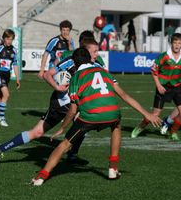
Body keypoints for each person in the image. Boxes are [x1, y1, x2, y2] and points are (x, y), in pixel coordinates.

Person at [30, 48, 161, 186]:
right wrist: (147, 114)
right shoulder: (104, 72)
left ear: (74, 63)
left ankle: (41, 177)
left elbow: (73, 110)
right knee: (116, 125)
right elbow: (124, 95)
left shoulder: (75, 77)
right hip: (111, 114)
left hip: (89, 118)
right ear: (90, 59)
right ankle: (113, 168)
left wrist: (62, 128)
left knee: (65, 144)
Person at [0, 35, 102, 167]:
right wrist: (57, 87)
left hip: (73, 103)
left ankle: (0, 148)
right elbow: (48, 74)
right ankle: (72, 155)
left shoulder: (96, 65)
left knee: (37, 132)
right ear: (86, 51)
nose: (97, 54)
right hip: (60, 102)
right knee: (81, 122)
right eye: (95, 51)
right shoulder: (70, 62)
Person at [131, 33, 181, 141]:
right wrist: (159, 85)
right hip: (163, 87)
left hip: (177, 87)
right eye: (175, 42)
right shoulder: (164, 56)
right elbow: (154, 71)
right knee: (155, 114)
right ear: (171, 43)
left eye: (179, 43)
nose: (177, 45)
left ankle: (173, 132)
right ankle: (139, 127)